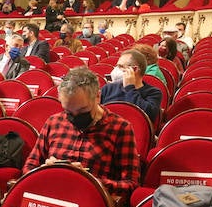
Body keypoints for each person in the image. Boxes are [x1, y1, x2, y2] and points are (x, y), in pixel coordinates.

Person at [23, 67, 139, 199]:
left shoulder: (120, 128)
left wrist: (87, 179)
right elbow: (29, 166)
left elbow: (130, 184)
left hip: (90, 201)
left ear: (97, 97)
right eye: (68, 112)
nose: (75, 117)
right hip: (50, 197)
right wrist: (47, 170)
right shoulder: (54, 122)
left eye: (82, 110)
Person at [100, 49, 163, 121]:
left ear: (135, 69)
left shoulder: (153, 93)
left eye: (121, 66)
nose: (116, 69)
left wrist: (129, 88)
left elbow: (147, 115)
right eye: (116, 66)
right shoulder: (108, 88)